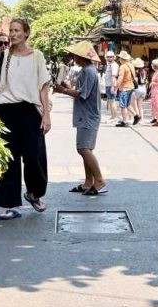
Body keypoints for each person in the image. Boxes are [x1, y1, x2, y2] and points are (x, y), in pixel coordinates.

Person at [0, 19, 53, 220]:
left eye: (17, 30)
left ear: (26, 33)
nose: (13, 34)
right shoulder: (2, 57)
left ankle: (34, 193)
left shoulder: (37, 56)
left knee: (34, 155)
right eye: (11, 30)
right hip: (6, 111)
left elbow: (43, 86)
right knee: (9, 158)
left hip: (30, 111)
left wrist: (46, 114)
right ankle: (11, 204)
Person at [55, 41, 107, 196]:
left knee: (83, 148)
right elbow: (82, 91)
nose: (73, 57)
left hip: (88, 115)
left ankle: (98, 179)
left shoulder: (88, 71)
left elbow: (82, 94)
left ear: (80, 56)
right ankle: (88, 182)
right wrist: (68, 89)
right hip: (87, 114)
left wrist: (63, 90)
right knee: (86, 148)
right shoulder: (88, 70)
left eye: (75, 54)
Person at [115, 50, 135, 126]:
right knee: (127, 104)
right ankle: (136, 115)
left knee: (123, 106)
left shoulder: (122, 67)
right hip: (131, 87)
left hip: (124, 88)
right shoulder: (131, 65)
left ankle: (125, 121)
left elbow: (120, 78)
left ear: (121, 59)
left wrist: (116, 87)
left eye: (119, 58)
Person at [102, 50, 119, 117]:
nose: (109, 58)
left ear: (114, 57)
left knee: (112, 101)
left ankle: (114, 117)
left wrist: (112, 86)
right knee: (111, 101)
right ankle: (112, 116)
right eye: (108, 57)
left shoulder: (114, 65)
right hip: (108, 85)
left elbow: (113, 76)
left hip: (111, 85)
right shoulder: (109, 65)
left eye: (111, 57)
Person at [130, 58, 147, 125]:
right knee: (140, 105)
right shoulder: (144, 71)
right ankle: (142, 119)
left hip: (137, 88)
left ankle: (137, 117)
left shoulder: (135, 72)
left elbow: (135, 81)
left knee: (134, 105)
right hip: (143, 88)